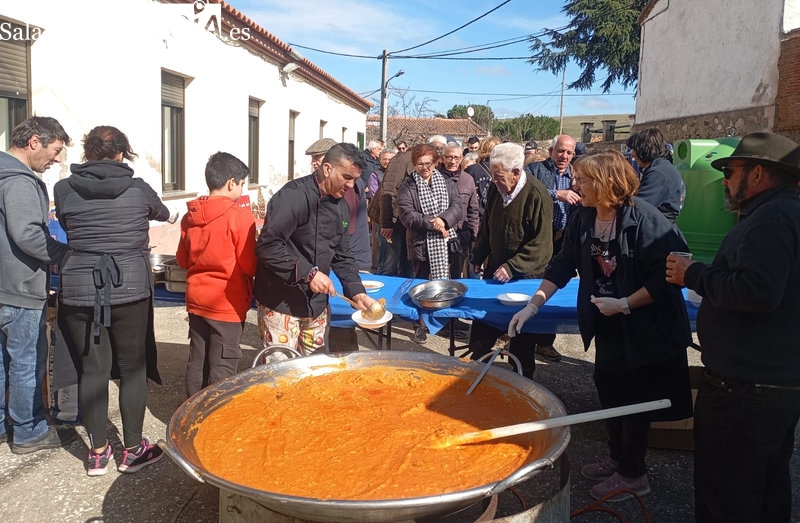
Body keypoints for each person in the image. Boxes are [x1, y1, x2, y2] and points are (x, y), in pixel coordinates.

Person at [510, 149, 693, 501]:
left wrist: (625, 303)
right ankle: (616, 458)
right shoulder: (584, 217)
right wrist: (533, 305)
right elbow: (562, 265)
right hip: (607, 322)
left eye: (582, 179)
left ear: (606, 182)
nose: (575, 184)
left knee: (637, 397)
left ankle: (633, 473)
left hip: (646, 326)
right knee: (610, 389)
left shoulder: (648, 220)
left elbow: (668, 277)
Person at [665, 132, 800, 523]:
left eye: (731, 171)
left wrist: (695, 276)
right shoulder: (780, 212)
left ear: (758, 173)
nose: (724, 179)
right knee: (765, 487)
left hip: (747, 388)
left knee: (728, 493)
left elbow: (756, 290)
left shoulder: (773, 218)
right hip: (770, 383)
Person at [55, 125, 175, 475]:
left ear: (86, 153)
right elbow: (164, 214)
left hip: (79, 286)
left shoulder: (63, 189)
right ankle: (134, 450)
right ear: (122, 153)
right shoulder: (138, 189)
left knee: (91, 368)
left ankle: (97, 452)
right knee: (133, 368)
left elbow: (66, 222)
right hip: (129, 288)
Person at [254, 143, 379, 354]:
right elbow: (268, 246)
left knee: (317, 370)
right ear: (327, 168)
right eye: (346, 177)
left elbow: (343, 256)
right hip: (281, 303)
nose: (351, 185)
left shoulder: (341, 206)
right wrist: (309, 274)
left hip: (317, 306)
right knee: (284, 375)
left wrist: (357, 292)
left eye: (355, 179)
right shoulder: (293, 197)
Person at [0, 116, 78, 454]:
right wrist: (67, 254)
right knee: (26, 362)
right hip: (18, 286)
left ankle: (5, 425)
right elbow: (28, 234)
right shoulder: (18, 181)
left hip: (4, 283)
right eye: (56, 150)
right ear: (34, 141)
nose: (57, 159)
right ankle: (29, 433)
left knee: (3, 361)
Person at [468, 143, 553, 378]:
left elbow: (542, 245)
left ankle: (523, 381)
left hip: (526, 277)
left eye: (498, 175)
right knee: (482, 327)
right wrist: (478, 254)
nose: (493, 180)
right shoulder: (496, 190)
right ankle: (475, 374)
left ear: (516, 172)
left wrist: (513, 266)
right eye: (492, 174)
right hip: (496, 272)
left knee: (522, 338)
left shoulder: (537, 195)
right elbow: (487, 227)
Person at [176, 152, 257, 397]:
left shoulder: (191, 216)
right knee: (223, 365)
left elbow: (182, 259)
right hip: (227, 303)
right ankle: (214, 423)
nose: (242, 189)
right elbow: (249, 265)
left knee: (197, 360)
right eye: (242, 184)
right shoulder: (240, 217)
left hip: (198, 299)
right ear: (232, 183)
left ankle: (190, 416)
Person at [398, 143, 462, 343]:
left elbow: (457, 206)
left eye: (428, 163)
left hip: (445, 243)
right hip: (420, 244)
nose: (424, 167)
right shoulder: (407, 185)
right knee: (421, 286)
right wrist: (433, 223)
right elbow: (407, 215)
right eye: (419, 164)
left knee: (445, 285)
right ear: (414, 165)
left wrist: (444, 220)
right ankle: (420, 324)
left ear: (435, 163)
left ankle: (443, 320)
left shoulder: (447, 182)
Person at [526, 134, 581, 362]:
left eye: (569, 152)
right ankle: (525, 337)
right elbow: (527, 193)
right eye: (561, 151)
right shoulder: (536, 170)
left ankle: (545, 342)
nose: (564, 156)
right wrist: (556, 194)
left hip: (564, 241)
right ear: (551, 151)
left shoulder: (576, 174)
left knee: (555, 290)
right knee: (534, 286)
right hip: (539, 240)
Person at [626, 128, 685, 224]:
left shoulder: (658, 174)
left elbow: (637, 208)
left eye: (635, 149)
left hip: (657, 232)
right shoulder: (662, 168)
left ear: (646, 149)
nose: (632, 154)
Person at [376, 150, 415, 278]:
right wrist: (387, 223)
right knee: (388, 266)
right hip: (394, 221)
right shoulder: (401, 160)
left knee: (407, 266)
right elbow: (388, 191)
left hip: (410, 224)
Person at [369, 148, 396, 273]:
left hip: (392, 214)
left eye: (389, 159)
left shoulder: (397, 174)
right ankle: (376, 268)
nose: (387, 162)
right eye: (384, 159)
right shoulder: (375, 174)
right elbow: (374, 194)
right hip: (378, 213)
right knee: (378, 242)